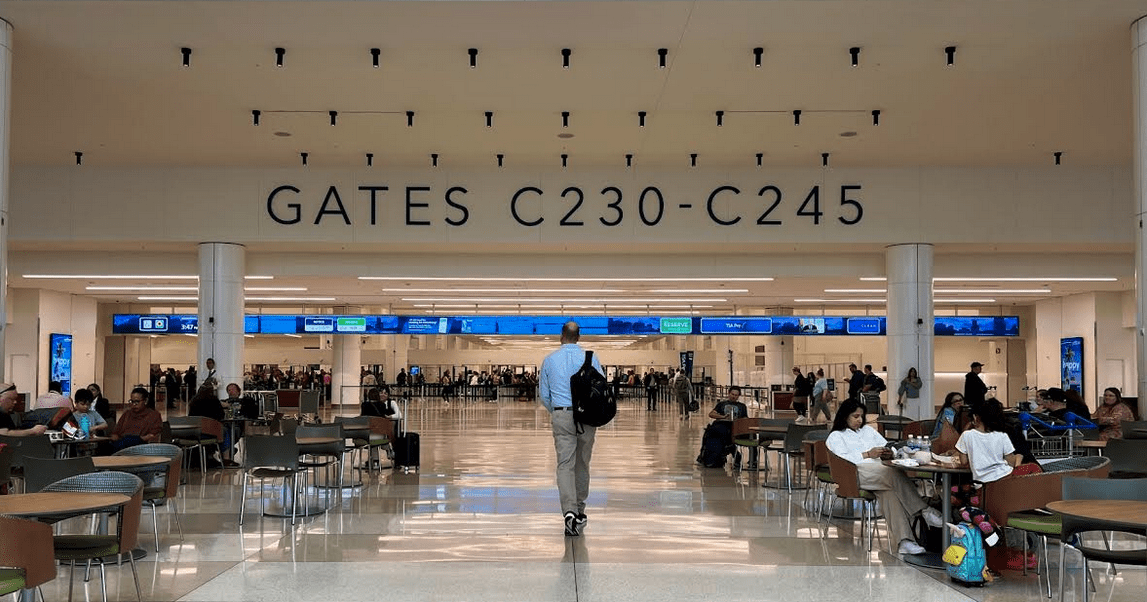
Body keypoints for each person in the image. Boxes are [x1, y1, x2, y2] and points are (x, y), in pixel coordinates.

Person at [826, 398, 944, 556]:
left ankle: (905, 541)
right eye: (855, 416)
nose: (859, 420)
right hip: (855, 474)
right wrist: (867, 454)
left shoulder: (868, 431)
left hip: (879, 472)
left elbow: (886, 445)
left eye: (861, 416)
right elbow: (841, 460)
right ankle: (923, 509)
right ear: (845, 416)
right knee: (892, 472)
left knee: (889, 493)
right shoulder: (836, 436)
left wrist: (889, 452)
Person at [538, 321, 603, 537]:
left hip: (562, 414)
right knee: (582, 463)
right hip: (587, 417)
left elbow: (544, 396)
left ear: (561, 336)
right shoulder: (591, 358)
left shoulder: (549, 360)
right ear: (579, 337)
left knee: (565, 464)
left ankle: (569, 512)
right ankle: (580, 510)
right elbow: (600, 388)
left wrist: (558, 411)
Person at [705, 386, 749, 453]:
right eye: (732, 394)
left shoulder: (742, 406)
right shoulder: (721, 404)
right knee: (714, 432)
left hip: (736, 427)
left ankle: (752, 459)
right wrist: (723, 417)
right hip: (723, 425)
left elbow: (745, 419)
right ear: (729, 394)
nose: (733, 397)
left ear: (738, 396)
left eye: (736, 395)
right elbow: (711, 414)